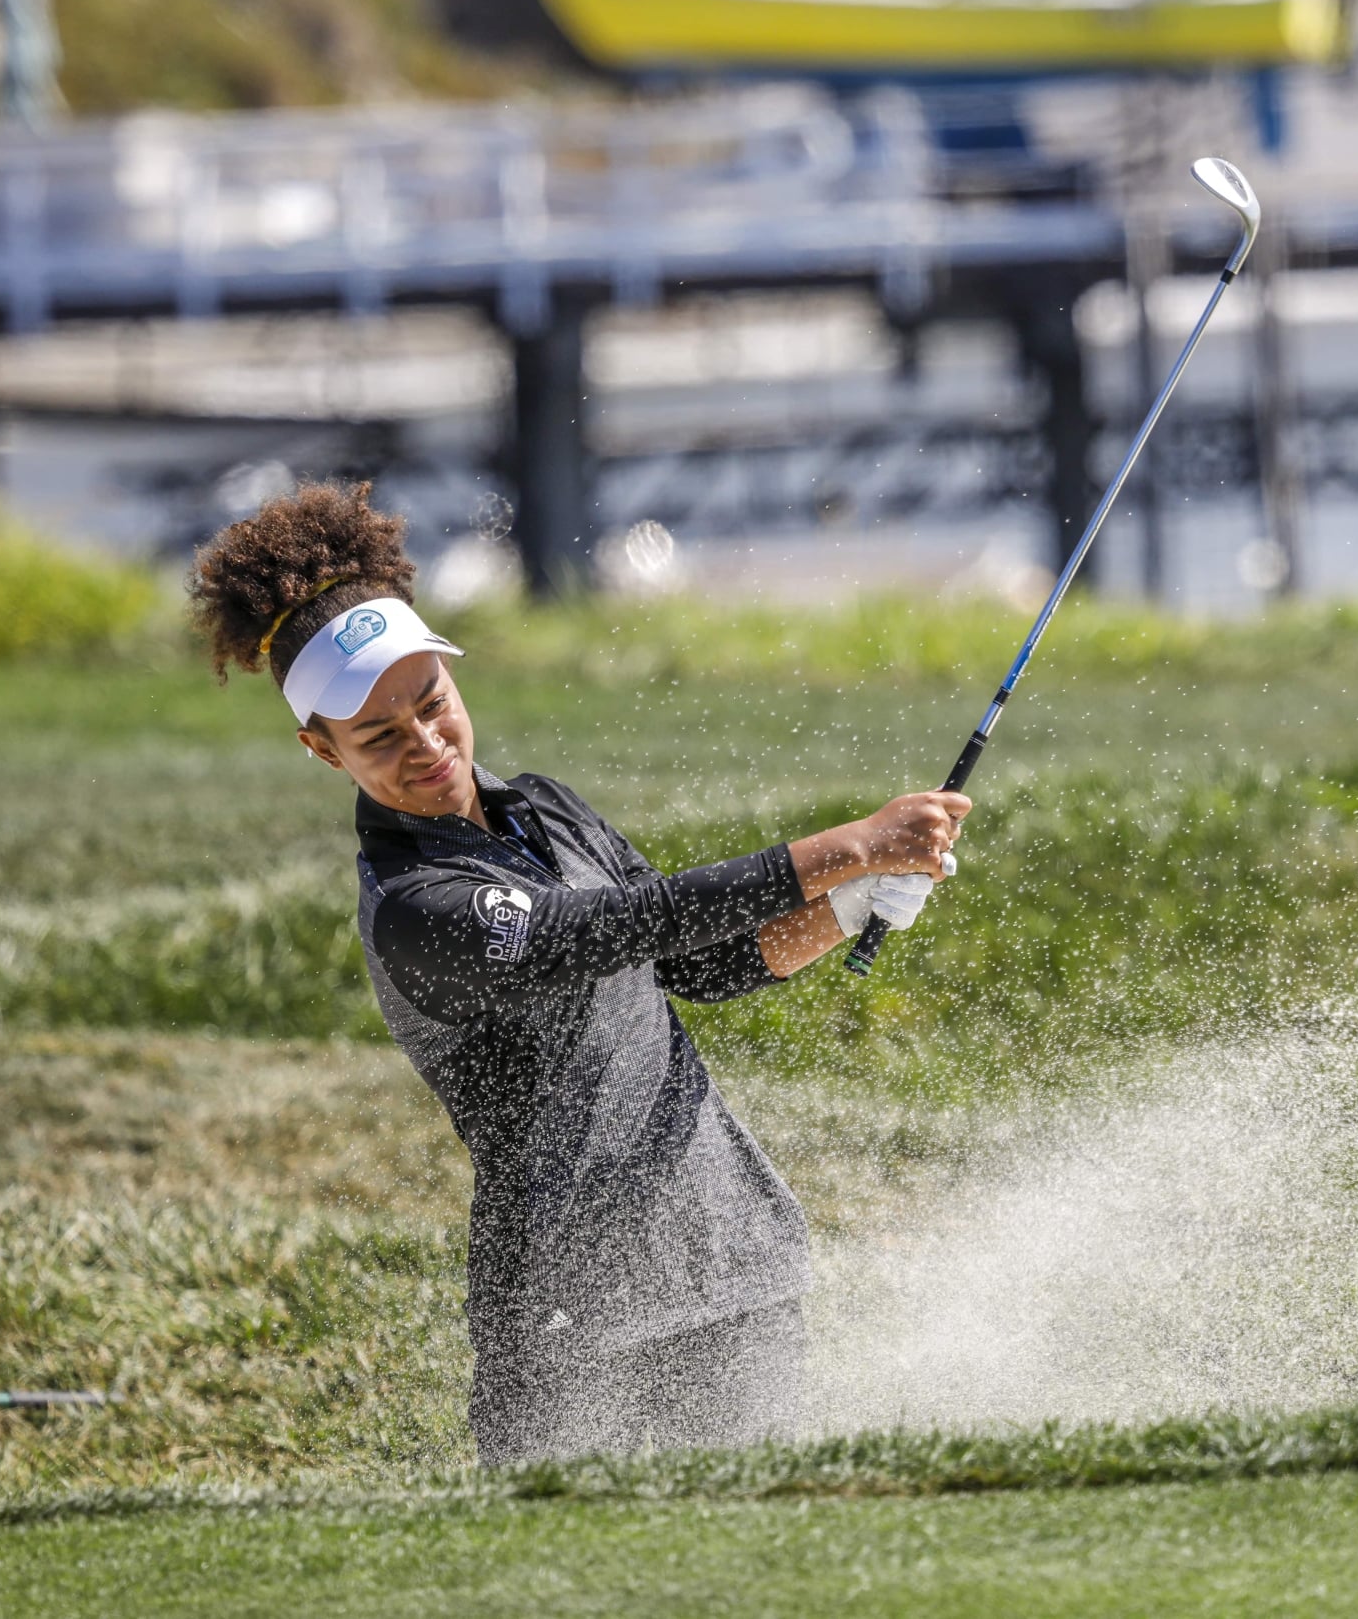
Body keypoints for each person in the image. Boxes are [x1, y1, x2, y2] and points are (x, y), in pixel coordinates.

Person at [186, 483, 965, 1463]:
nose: (426, 745)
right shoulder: (413, 906)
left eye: (432, 704)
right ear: (320, 747)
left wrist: (852, 902)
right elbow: (596, 932)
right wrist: (842, 848)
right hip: (571, 1325)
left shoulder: (548, 810)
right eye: (379, 736)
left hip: (727, 1260)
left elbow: (701, 960)